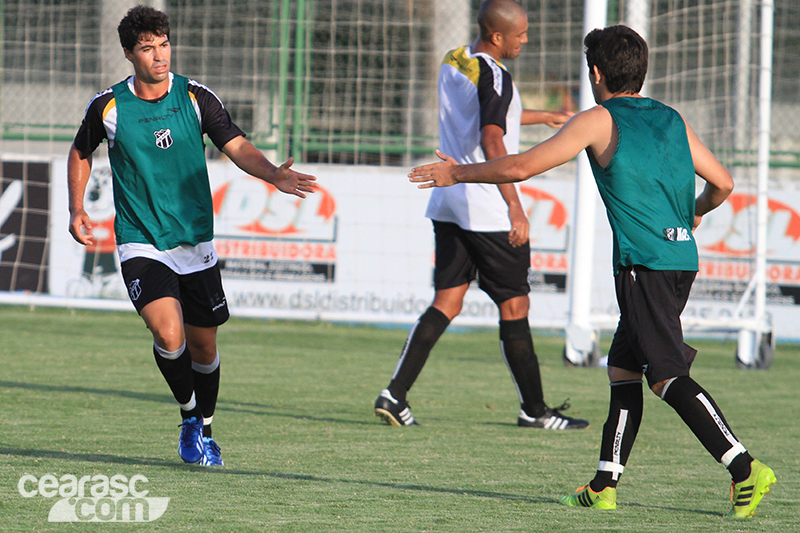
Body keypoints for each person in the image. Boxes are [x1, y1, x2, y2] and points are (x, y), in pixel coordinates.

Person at [408, 24, 776, 518]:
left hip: (644, 266)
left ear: (596, 74)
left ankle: (744, 468)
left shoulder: (599, 120)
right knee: (623, 369)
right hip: (678, 259)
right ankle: (604, 484)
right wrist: (695, 211)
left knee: (666, 376)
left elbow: (520, 167)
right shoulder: (671, 118)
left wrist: (456, 172)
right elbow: (724, 184)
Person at [67, 5, 317, 466]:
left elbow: (236, 145)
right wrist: (76, 207)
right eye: (147, 48)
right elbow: (81, 152)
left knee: (205, 346)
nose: (159, 55)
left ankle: (205, 427)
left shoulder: (196, 97)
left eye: (163, 45)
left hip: (195, 242)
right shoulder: (109, 106)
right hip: (141, 239)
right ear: (129, 54)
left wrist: (272, 176)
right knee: (168, 333)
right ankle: (188, 417)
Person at [374, 0, 588, 430]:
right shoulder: (496, 74)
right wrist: (514, 205)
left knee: (446, 302)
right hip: (486, 208)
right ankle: (535, 411)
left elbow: (488, 115)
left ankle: (394, 395)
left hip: (449, 203)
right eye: (520, 35)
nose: (525, 41)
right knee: (515, 306)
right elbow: (493, 140)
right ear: (497, 37)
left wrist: (543, 115)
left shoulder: (456, 59)